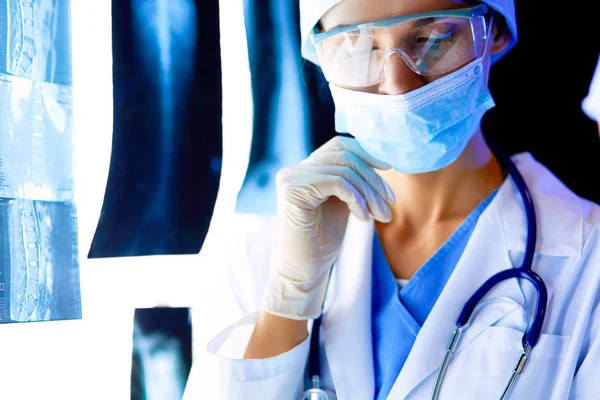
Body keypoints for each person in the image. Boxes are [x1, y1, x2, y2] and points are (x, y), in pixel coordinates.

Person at [182, 0, 600, 398]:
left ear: (495, 33)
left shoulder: (588, 259)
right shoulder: (261, 252)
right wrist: (287, 302)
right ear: (317, 54)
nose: (398, 87)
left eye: (435, 38)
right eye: (357, 46)